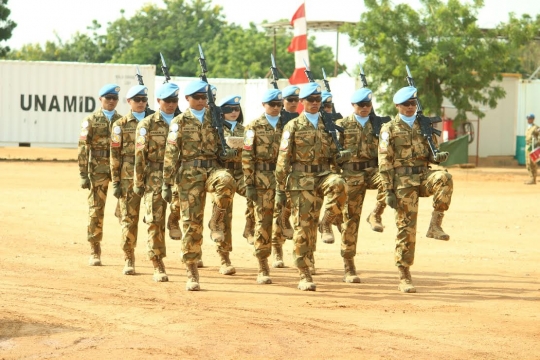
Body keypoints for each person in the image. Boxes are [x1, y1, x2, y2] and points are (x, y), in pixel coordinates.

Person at [275, 82, 351, 291]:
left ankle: (326, 222)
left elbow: (334, 152)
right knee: (304, 228)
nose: (315, 104)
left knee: (340, 185)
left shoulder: (327, 123)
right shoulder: (293, 126)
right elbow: (283, 159)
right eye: (311, 100)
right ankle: (304, 271)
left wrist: (341, 157)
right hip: (301, 180)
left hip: (324, 174)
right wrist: (281, 190)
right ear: (302, 102)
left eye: (318, 100)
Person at [162, 79, 237, 291]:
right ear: (187, 99)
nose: (202, 100)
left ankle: (216, 221)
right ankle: (192, 269)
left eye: (204, 97)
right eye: (197, 97)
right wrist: (167, 183)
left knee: (227, 180)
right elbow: (170, 154)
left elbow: (225, 143)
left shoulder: (215, 117)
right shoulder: (180, 121)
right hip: (189, 173)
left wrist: (228, 153)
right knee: (191, 222)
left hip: (212, 168)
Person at [378, 86, 453, 293]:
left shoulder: (424, 125)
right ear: (397, 106)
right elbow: (384, 162)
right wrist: (388, 190)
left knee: (444, 177)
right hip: (402, 181)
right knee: (406, 228)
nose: (410, 107)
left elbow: (431, 152)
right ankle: (404, 273)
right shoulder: (389, 129)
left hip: (423, 175)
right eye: (405, 104)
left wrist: (436, 157)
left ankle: (435, 225)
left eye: (413, 103)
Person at [335, 88, 387, 283]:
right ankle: (349, 266)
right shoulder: (342, 125)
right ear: (353, 106)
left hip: (372, 171)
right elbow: (334, 152)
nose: (365, 108)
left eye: (368, 105)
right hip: (350, 174)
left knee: (388, 181)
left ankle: (376, 214)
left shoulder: (380, 124)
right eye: (361, 105)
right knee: (350, 220)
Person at [133, 82, 179, 282]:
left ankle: (174, 220)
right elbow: (139, 156)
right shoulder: (147, 124)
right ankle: (157, 262)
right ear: (159, 101)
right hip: (154, 175)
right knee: (154, 220)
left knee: (185, 214)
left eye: (174, 100)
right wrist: (138, 182)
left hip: (181, 174)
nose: (171, 104)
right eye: (167, 101)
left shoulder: (183, 121)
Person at [242, 89, 288, 284]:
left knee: (285, 217)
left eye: (279, 105)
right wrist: (249, 183)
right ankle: (262, 265)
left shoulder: (288, 125)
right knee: (263, 220)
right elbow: (246, 156)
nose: (276, 108)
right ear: (264, 105)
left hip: (284, 178)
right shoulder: (253, 127)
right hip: (261, 178)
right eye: (272, 105)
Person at [78, 83, 122, 266]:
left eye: (114, 98)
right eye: (108, 98)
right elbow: (83, 148)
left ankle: (128, 251)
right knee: (96, 209)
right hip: (98, 168)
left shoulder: (122, 120)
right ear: (100, 100)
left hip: (120, 168)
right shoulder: (90, 120)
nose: (111, 101)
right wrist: (83, 173)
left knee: (127, 206)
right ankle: (95, 249)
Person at [212, 94, 254, 275]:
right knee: (224, 214)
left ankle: (250, 226)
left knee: (257, 193)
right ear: (222, 113)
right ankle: (224, 257)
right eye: (229, 110)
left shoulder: (245, 130)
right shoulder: (215, 130)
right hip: (223, 174)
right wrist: (221, 154)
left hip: (240, 173)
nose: (234, 112)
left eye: (236, 109)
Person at [109, 84, 149, 275]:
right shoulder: (120, 125)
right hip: (127, 176)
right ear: (129, 102)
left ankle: (156, 258)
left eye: (143, 100)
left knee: (153, 219)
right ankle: (129, 258)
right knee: (129, 219)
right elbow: (114, 155)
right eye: (137, 100)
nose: (141, 103)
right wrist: (116, 181)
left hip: (151, 175)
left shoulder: (153, 122)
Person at [524, 113, 539, 185]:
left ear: (533, 119)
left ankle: (533, 179)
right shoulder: (528, 128)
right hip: (527, 146)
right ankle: (531, 178)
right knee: (527, 162)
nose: (528, 120)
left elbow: (539, 137)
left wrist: (537, 145)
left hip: (533, 146)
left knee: (532, 162)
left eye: (530, 118)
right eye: (528, 118)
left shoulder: (536, 127)